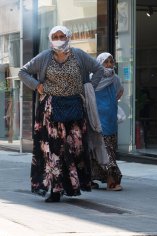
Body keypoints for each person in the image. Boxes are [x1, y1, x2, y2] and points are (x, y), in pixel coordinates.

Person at [18, 26, 104, 202]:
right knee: (53, 150)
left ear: (68, 37)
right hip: (50, 110)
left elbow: (99, 69)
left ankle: (71, 186)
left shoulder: (78, 55)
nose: (58, 39)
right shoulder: (44, 56)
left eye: (62, 36)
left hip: (74, 107)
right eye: (55, 36)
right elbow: (23, 72)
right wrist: (37, 86)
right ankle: (55, 189)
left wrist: (88, 88)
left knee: (74, 148)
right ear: (51, 39)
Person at [91, 52, 124, 191]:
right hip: (97, 120)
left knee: (109, 150)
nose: (109, 65)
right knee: (100, 151)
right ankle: (111, 180)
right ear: (99, 63)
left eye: (111, 62)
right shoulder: (93, 78)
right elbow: (87, 95)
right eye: (106, 62)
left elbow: (120, 91)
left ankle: (102, 179)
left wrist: (111, 103)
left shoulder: (114, 78)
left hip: (110, 120)